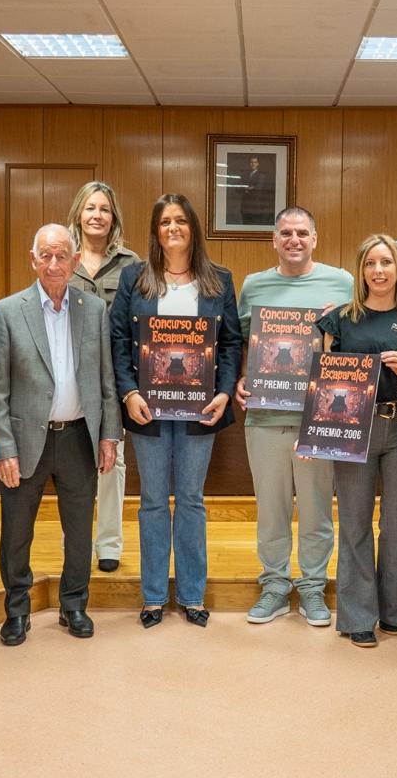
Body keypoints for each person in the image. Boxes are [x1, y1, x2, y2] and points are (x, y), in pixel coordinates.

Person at [110, 194, 242, 629]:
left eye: (181, 221)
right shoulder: (135, 279)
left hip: (200, 409)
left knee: (190, 499)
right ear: (155, 230)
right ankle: (151, 596)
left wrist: (224, 392)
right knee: (151, 501)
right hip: (147, 409)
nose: (173, 228)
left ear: (193, 228)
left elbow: (230, 344)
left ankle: (190, 594)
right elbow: (117, 340)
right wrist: (129, 393)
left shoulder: (219, 280)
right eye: (165, 221)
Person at [0, 223, 120, 646]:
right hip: (25, 441)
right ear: (33, 259)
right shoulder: (7, 312)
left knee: (79, 529)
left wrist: (109, 436)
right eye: (46, 255)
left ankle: (74, 604)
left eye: (63, 255)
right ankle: (17, 610)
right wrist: (2, 449)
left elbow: (107, 381)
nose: (54, 264)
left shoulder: (94, 310)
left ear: (76, 261)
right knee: (16, 530)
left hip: (80, 436)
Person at [236, 207, 354, 627]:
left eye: (302, 232)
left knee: (318, 508)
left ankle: (314, 588)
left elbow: (353, 345)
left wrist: (333, 326)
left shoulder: (342, 282)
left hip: (320, 418)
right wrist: (240, 379)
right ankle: (273, 585)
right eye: (286, 233)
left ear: (315, 238)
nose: (294, 240)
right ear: (274, 240)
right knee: (271, 508)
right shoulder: (253, 286)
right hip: (265, 415)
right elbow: (242, 344)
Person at [317, 234, 397, 648]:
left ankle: (393, 613)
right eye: (370, 263)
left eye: (386, 262)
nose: (378, 271)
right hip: (352, 428)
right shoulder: (339, 318)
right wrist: (317, 436)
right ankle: (357, 616)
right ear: (360, 270)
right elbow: (323, 381)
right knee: (355, 522)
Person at [67, 181, 141, 574]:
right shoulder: (63, 257)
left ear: (114, 218)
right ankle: (75, 541)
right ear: (79, 212)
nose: (97, 215)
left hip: (116, 376)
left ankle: (109, 543)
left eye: (105, 209)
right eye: (90, 208)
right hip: (69, 377)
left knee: (113, 459)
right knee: (73, 461)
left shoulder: (132, 263)